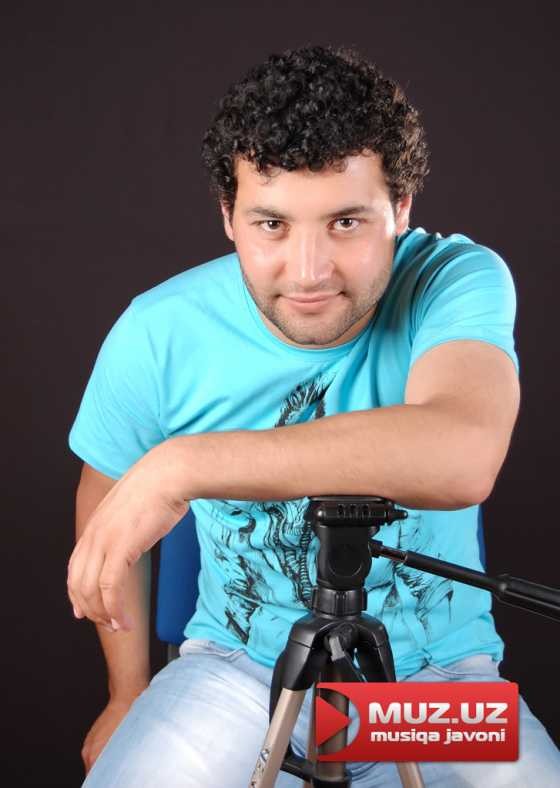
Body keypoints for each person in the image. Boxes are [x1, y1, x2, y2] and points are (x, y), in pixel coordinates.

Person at [66, 44, 560, 786]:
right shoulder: (158, 331)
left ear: (401, 209)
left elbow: (464, 454)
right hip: (236, 673)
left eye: (347, 222)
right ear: (228, 216)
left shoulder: (454, 281)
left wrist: (184, 465)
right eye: (271, 224)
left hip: (433, 684)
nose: (308, 272)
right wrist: (126, 692)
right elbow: (109, 498)